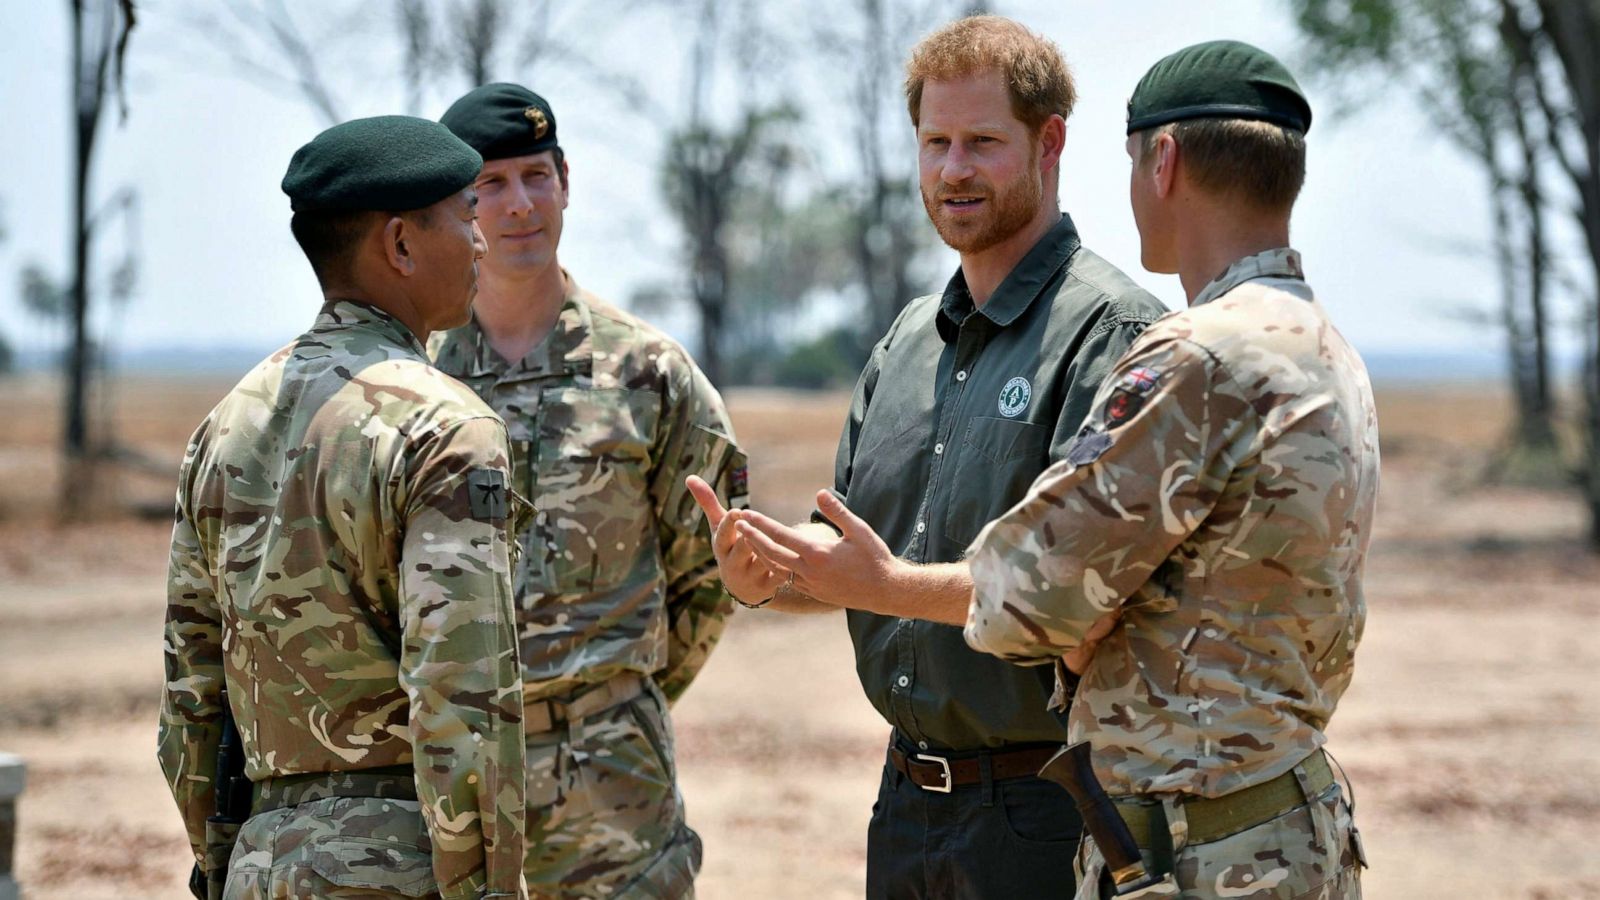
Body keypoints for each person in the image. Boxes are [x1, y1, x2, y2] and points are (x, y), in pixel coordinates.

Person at [688, 15, 1166, 899]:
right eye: (935, 142)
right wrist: (763, 576)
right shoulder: (907, 340)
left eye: (983, 143)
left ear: (1048, 141)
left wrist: (882, 587)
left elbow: (1078, 593)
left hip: (1050, 812)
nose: (953, 171)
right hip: (906, 806)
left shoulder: (1114, 334)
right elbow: (852, 567)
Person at [964, 40, 1377, 899]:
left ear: (1164, 160)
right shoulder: (1326, 347)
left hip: (1203, 854)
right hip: (1288, 823)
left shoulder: (1197, 357)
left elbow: (1016, 597)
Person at [157, 115, 528, 900]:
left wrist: (230, 861)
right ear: (399, 245)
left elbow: (191, 697)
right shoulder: (445, 426)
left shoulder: (225, 424)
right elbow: (463, 703)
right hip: (403, 868)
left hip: (261, 862)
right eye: (467, 215)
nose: (482, 241)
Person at [434, 83, 748, 898]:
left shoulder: (648, 372)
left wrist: (616, 700)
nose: (519, 205)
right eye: (490, 187)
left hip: (612, 788)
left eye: (536, 176)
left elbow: (711, 572)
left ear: (565, 181)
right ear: (457, 209)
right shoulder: (412, 381)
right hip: (446, 782)